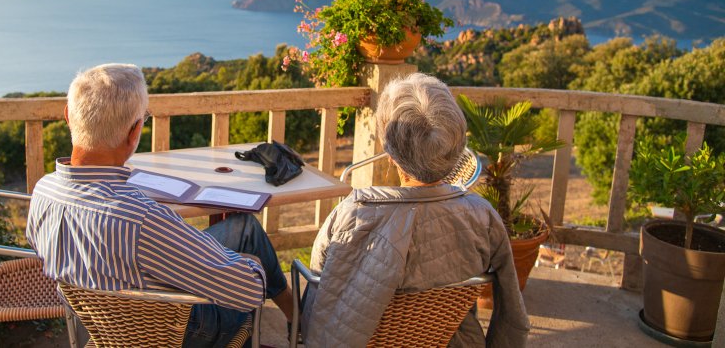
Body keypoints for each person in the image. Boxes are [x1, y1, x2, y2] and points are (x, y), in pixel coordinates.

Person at [26, 63, 292, 347]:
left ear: (68, 117)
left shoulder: (42, 192)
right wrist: (248, 267)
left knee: (242, 228)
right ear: (135, 131)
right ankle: (300, 320)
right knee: (248, 256)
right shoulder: (142, 218)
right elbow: (248, 292)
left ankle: (296, 314)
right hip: (174, 332)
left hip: (102, 327)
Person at [299, 72, 529, 347]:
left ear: (389, 148)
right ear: (455, 145)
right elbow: (512, 309)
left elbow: (319, 287)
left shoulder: (352, 214)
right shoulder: (482, 216)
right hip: (448, 339)